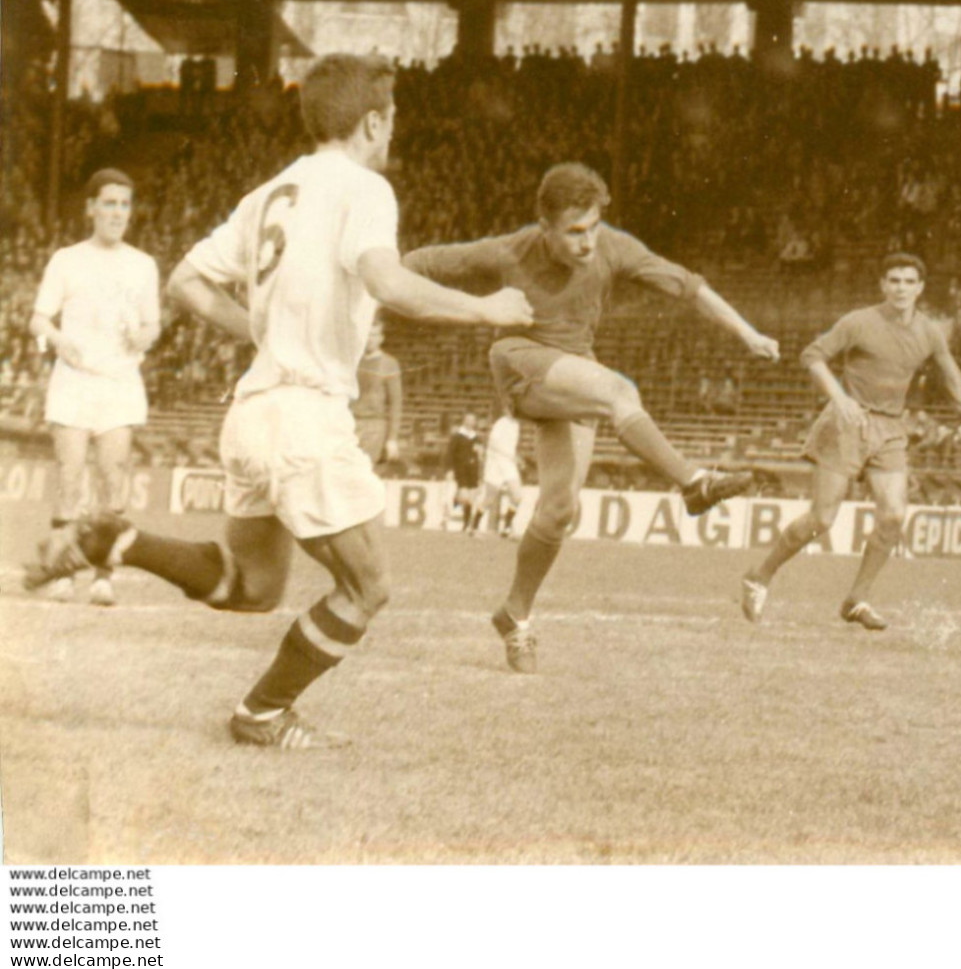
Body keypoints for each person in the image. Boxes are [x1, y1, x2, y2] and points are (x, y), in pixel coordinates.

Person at [23, 52, 533, 748]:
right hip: (305, 417)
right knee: (366, 587)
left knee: (250, 584)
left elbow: (186, 282)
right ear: (373, 121)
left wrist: (255, 327)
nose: (392, 135)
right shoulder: (363, 187)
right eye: (391, 122)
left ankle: (118, 539)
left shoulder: (268, 192)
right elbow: (387, 282)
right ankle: (262, 712)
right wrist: (490, 310)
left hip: (253, 412)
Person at [403, 161, 780, 673]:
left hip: (573, 372)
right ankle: (693, 482)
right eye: (574, 232)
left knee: (559, 511)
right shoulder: (508, 251)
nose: (587, 242)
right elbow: (418, 262)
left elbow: (690, 287)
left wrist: (749, 334)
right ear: (545, 226)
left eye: (594, 228)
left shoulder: (614, 248)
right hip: (519, 358)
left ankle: (515, 615)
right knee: (620, 392)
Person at [740, 252, 961, 630]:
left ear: (920, 288)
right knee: (822, 518)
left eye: (908, 281)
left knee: (894, 515)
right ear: (883, 285)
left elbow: (955, 384)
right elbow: (812, 356)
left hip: (891, 429)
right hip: (846, 423)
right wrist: (839, 398)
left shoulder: (929, 332)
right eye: (893, 280)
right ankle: (759, 576)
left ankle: (857, 598)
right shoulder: (859, 322)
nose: (900, 288)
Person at [29, 168, 161, 607]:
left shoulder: (143, 265)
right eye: (109, 203)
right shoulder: (66, 260)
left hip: (119, 383)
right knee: (69, 476)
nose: (117, 212)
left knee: (112, 476)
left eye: (124, 204)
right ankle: (62, 572)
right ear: (91, 209)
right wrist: (59, 339)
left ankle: (104, 574)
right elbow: (38, 319)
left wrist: (144, 337)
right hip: (74, 380)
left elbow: (152, 325)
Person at [351, 314, 403, 468]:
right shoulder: (352, 360)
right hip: (349, 423)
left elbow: (396, 403)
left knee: (365, 472)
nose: (370, 339)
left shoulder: (389, 363)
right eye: (367, 335)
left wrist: (392, 438)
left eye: (374, 335)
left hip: (374, 425)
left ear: (381, 338)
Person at [479, 406, 524, 538]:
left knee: (517, 496)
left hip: (508, 464)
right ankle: (474, 527)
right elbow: (492, 444)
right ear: (506, 410)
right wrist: (511, 455)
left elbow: (510, 446)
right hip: (496, 464)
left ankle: (507, 528)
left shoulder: (516, 424)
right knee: (489, 498)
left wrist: (516, 457)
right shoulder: (501, 423)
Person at [447, 412, 485, 532]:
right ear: (464, 421)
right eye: (468, 419)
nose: (470, 422)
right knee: (464, 495)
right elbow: (450, 454)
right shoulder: (457, 436)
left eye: (472, 420)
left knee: (471, 498)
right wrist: (450, 469)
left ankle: (466, 523)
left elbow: (480, 455)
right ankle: (454, 503)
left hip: (473, 469)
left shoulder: (477, 438)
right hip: (461, 468)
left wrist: (480, 471)